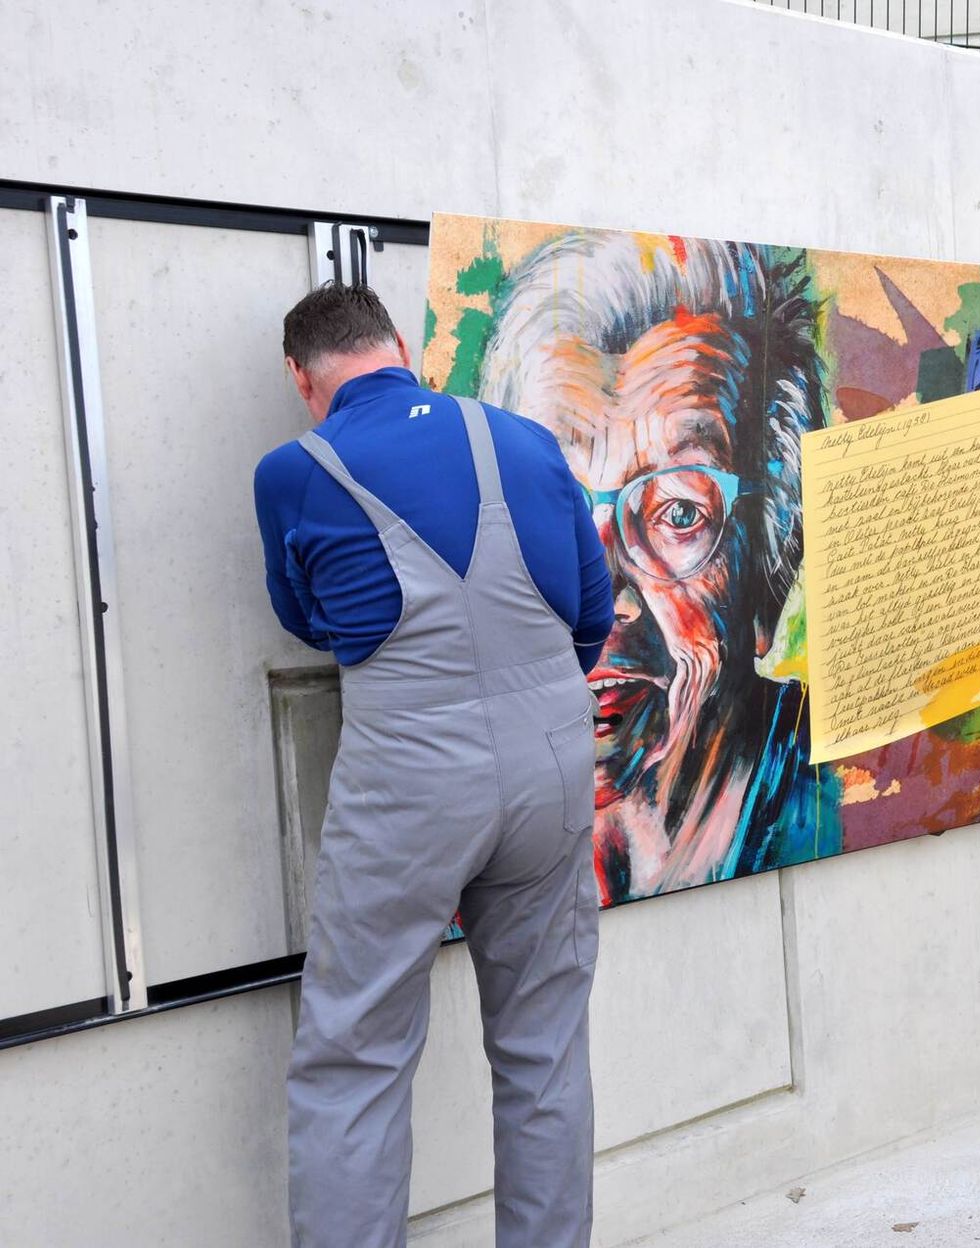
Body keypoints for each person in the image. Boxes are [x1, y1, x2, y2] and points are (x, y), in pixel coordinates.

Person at [253, 282, 613, 1247]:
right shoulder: (523, 442)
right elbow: (591, 615)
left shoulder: (293, 470)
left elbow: (311, 620)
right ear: (400, 346)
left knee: (356, 1060)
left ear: (303, 376)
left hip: (408, 773)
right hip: (550, 763)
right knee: (544, 1050)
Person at [476, 231, 838, 904]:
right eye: (549, 505)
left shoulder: (835, 802)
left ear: (769, 570)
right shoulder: (476, 811)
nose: (597, 592)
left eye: (677, 512)